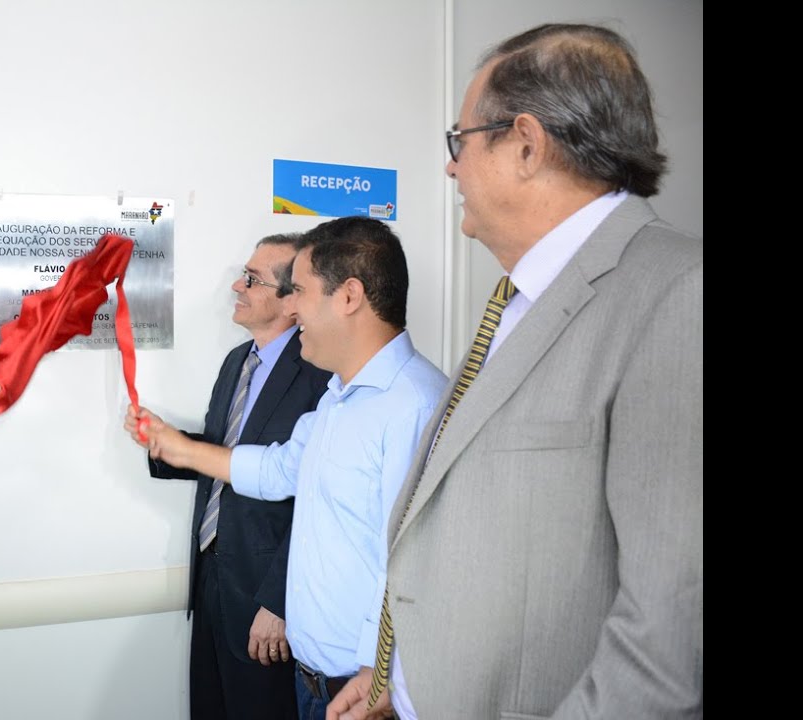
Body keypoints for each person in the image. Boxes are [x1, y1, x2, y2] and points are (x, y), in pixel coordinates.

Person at [327, 23, 703, 720]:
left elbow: (666, 643)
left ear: (525, 144)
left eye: (459, 142)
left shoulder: (679, 294)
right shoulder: (518, 300)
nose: (451, 169)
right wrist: (405, 682)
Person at [129, 217, 447, 720]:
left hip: (364, 686)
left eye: (298, 290)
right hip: (315, 675)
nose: (290, 306)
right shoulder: (341, 395)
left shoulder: (414, 405)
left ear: (348, 297)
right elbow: (279, 470)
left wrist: (379, 671)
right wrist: (177, 448)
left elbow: (414, 563)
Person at [144, 234, 330, 719]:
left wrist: (280, 600)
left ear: (292, 301)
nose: (236, 286)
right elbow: (224, 457)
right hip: (212, 577)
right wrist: (165, 443)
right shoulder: (236, 363)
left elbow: (316, 499)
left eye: (252, 279)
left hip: (264, 596)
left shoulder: (321, 375)